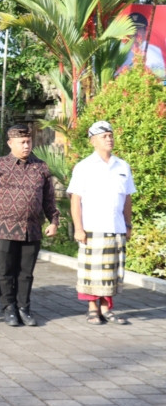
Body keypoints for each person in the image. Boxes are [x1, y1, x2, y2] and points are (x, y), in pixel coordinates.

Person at [0, 124, 60, 327]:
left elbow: (49, 198)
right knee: (5, 270)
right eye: (22, 142)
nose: (26, 146)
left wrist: (53, 220)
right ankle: (8, 308)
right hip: (4, 228)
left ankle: (24, 307)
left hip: (32, 229)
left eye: (29, 142)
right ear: (10, 143)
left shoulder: (40, 167)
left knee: (26, 272)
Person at [67, 120, 135, 325]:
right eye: (104, 136)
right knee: (93, 273)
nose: (109, 139)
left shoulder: (122, 166)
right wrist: (78, 228)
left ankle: (107, 309)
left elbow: (128, 198)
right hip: (92, 228)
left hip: (116, 228)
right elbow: (76, 199)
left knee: (112, 272)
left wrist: (128, 225)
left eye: (111, 135)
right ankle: (92, 309)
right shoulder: (84, 167)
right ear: (93, 141)